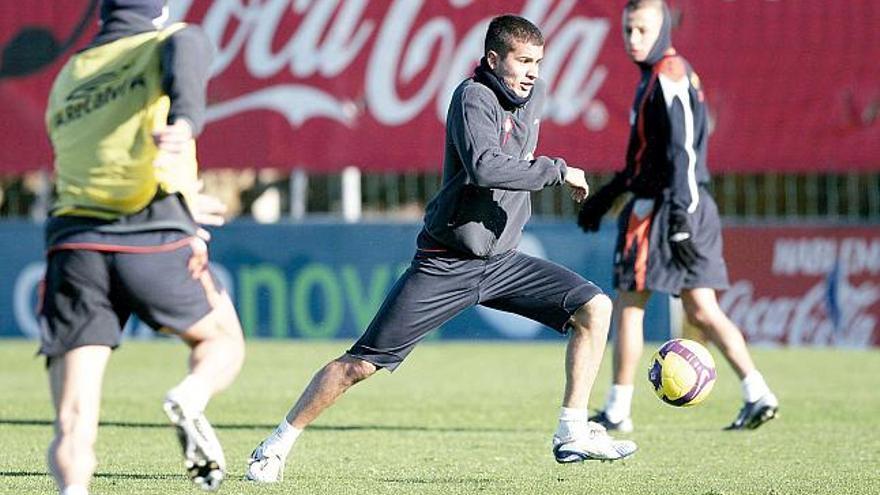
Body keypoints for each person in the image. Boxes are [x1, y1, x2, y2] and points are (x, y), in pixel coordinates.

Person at [245, 14, 637, 483]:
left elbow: (517, 160)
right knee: (360, 365)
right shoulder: (472, 97)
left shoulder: (534, 97)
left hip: (504, 262)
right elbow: (485, 167)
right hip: (445, 264)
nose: (534, 72)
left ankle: (572, 431)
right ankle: (275, 446)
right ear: (493, 60)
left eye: (538, 62)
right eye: (523, 61)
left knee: (594, 307)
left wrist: (537, 171)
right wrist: (556, 170)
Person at [40, 1, 245, 493]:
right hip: (152, 238)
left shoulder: (68, 74)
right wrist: (187, 123)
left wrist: (186, 199)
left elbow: (98, 166)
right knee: (222, 342)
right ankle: (189, 398)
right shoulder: (165, 40)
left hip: (74, 248)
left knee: (72, 421)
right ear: (160, 10)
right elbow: (190, 46)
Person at [577, 0, 778, 432]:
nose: (633, 39)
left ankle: (617, 409)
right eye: (628, 30)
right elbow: (646, 156)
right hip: (685, 203)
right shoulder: (654, 77)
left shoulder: (668, 75)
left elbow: (683, 154)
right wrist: (609, 193)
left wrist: (682, 219)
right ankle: (758, 392)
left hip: (672, 208)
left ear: (663, 29)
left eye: (642, 30)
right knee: (702, 309)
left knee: (630, 305)